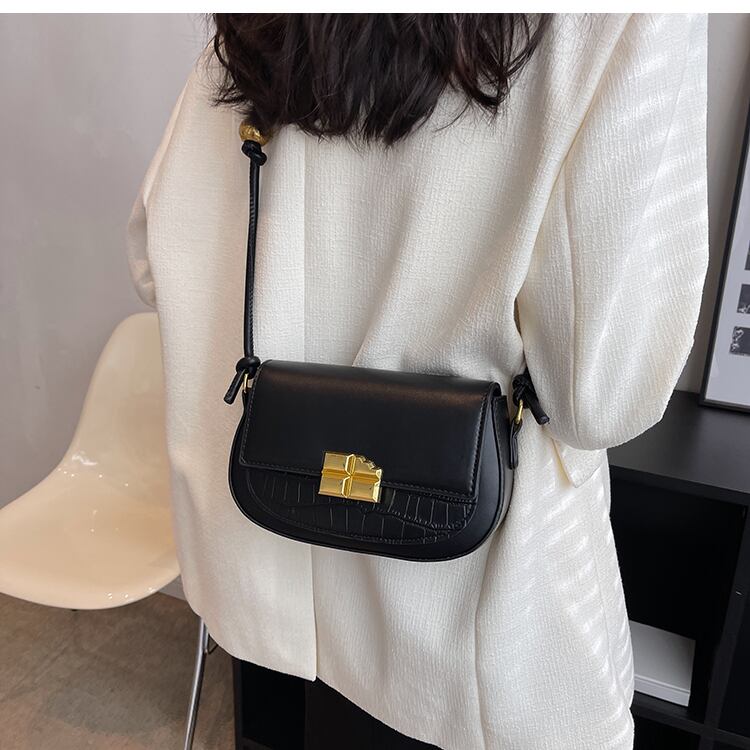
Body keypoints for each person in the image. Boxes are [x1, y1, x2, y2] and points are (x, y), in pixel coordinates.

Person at [127, 13, 708, 750]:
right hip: (470, 620)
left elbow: (153, 259)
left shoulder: (258, 27)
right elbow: (603, 395)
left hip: (274, 568)